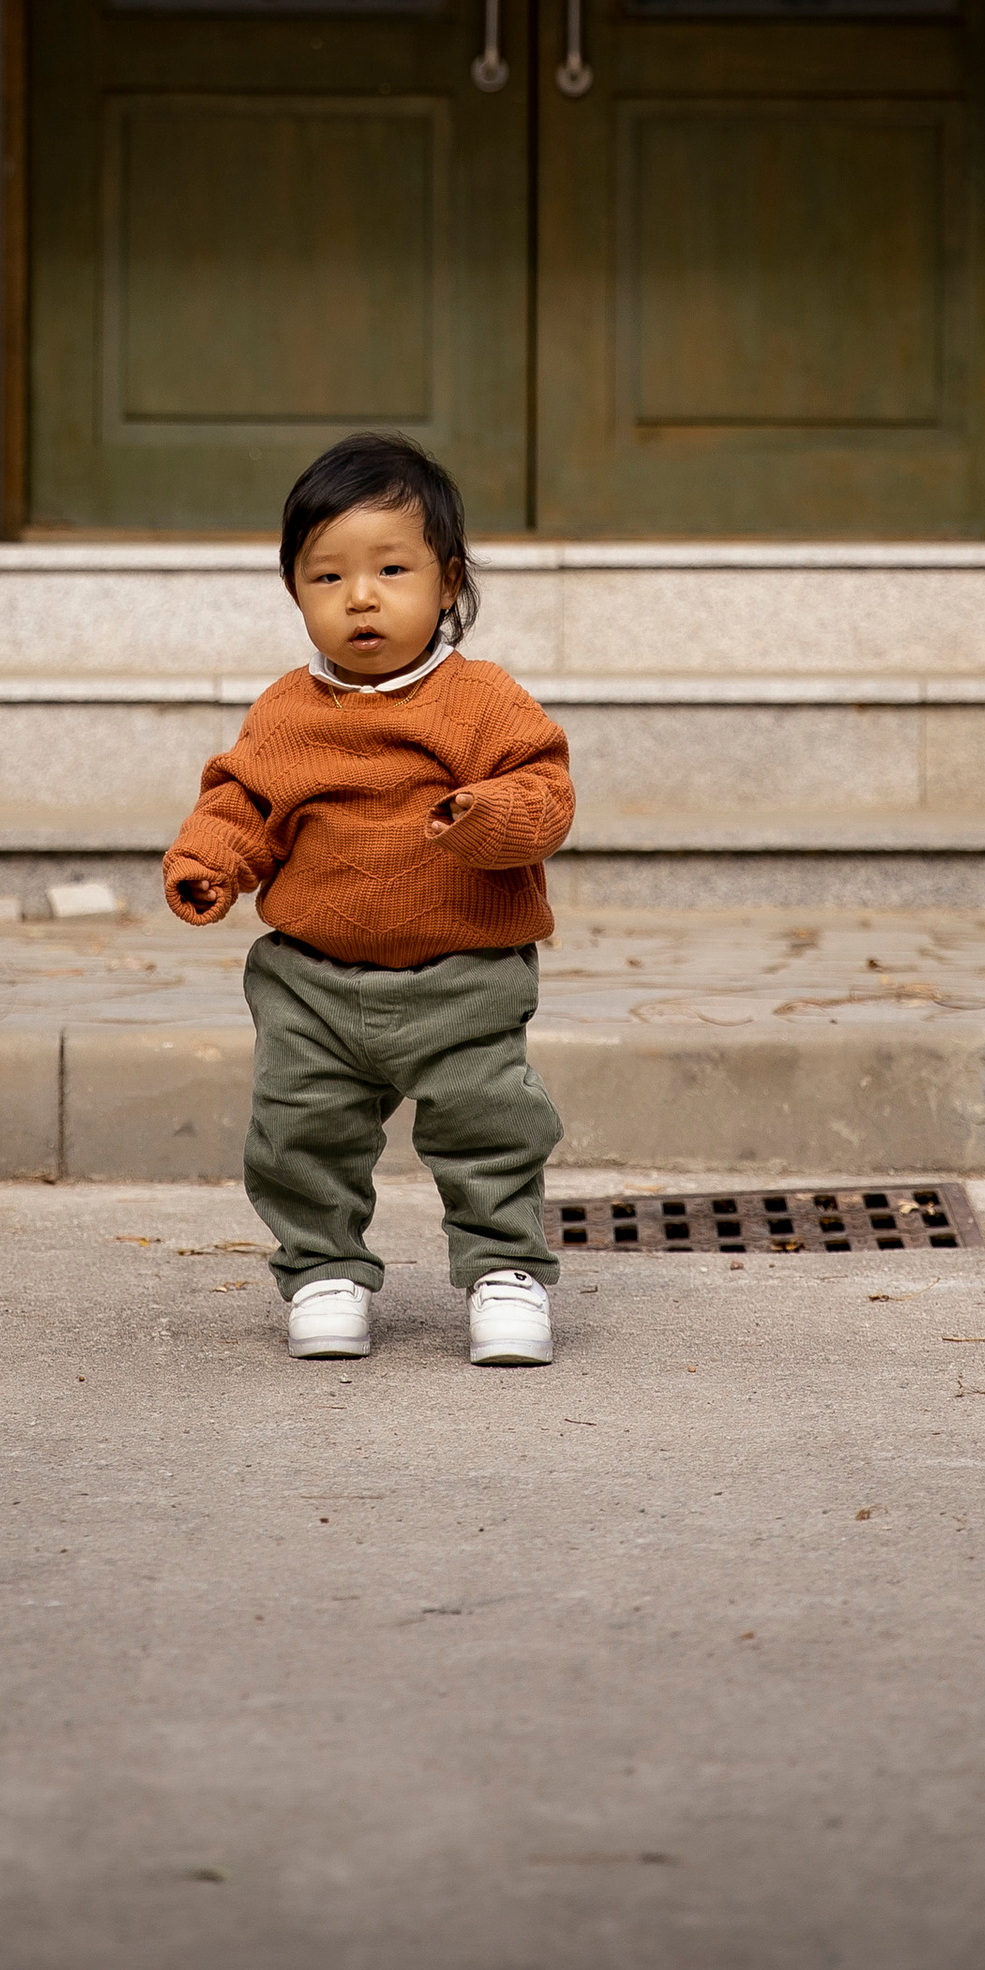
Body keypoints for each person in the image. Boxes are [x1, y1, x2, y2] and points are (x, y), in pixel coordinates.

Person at [163, 431, 573, 1368]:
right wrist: (210, 860)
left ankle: (506, 1271)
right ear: (295, 593)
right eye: (327, 577)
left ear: (448, 581)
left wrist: (489, 816)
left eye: (392, 568)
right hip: (312, 982)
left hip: (463, 974)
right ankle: (323, 1270)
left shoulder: (480, 702)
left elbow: (545, 794)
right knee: (297, 1131)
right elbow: (241, 803)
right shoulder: (286, 713)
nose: (361, 598)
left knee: (492, 1127)